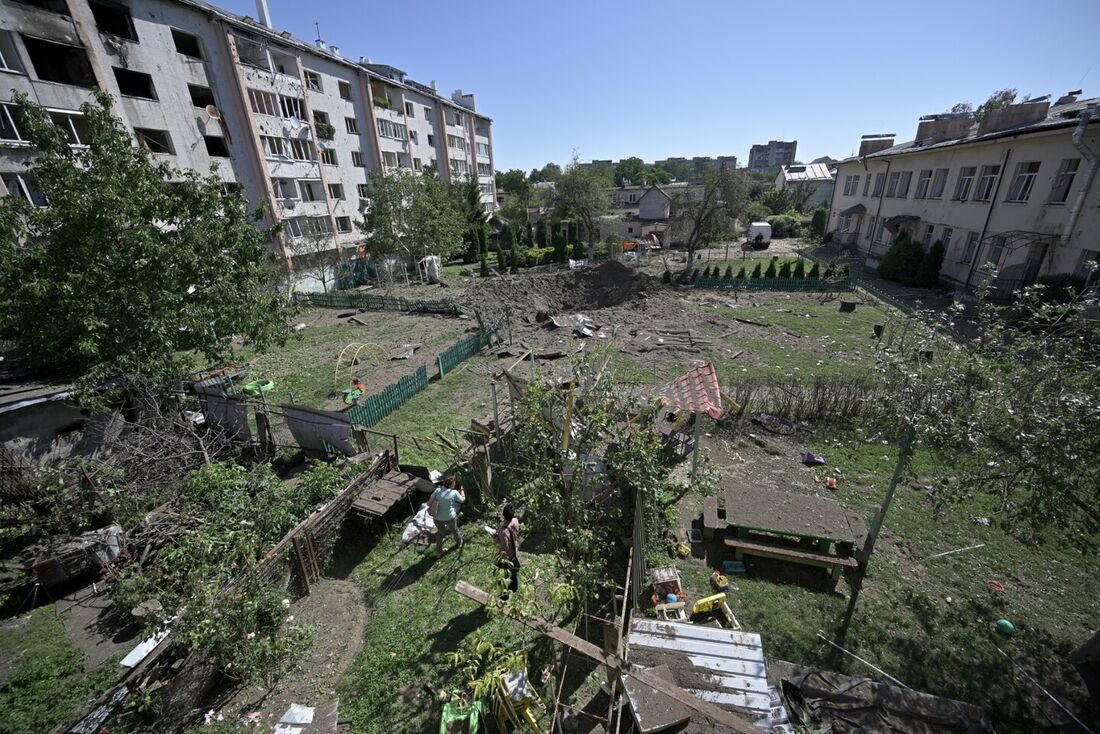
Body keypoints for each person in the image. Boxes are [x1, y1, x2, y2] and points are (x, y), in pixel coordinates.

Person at [430, 476, 465, 556]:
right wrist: (462, 491)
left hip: (437, 518)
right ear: (452, 484)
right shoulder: (454, 492)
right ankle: (459, 543)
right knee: (454, 530)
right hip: (450, 517)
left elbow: (429, 503)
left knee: (440, 533)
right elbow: (462, 500)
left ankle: (439, 552)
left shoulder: (437, 490)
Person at [492, 504, 520, 594]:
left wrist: (496, 538)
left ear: (503, 516)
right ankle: (514, 586)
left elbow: (504, 548)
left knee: (502, 571)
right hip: (514, 549)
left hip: (508, 555)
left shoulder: (503, 531)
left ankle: (504, 589)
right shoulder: (515, 521)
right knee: (513, 570)